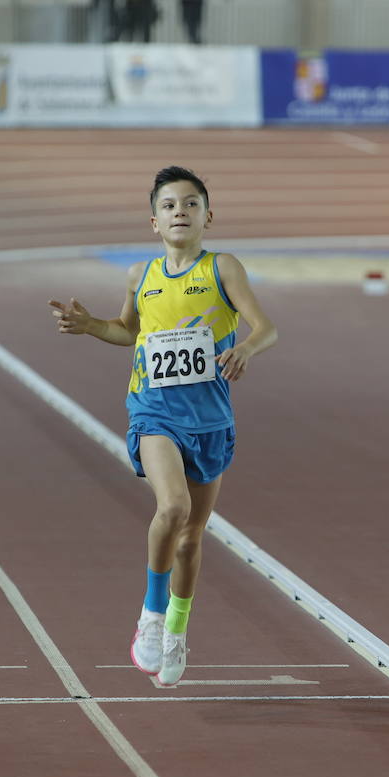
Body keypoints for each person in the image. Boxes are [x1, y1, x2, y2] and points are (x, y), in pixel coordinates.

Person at [48, 166, 278, 686]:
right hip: (152, 411)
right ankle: (151, 617)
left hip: (211, 419)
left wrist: (245, 347)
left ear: (208, 217)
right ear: (154, 221)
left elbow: (267, 328)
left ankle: (176, 631)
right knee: (171, 507)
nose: (181, 212)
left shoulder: (224, 269)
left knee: (192, 537)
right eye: (171, 205)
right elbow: (127, 330)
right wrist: (89, 326)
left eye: (191, 204)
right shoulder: (141, 276)